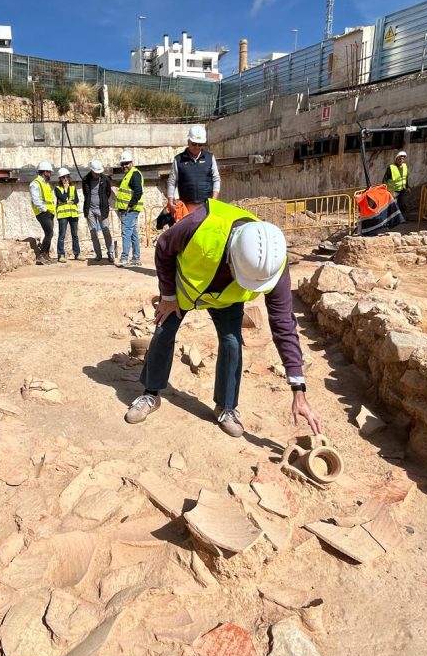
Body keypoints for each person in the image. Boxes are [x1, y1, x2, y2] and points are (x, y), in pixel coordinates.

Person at [124, 199, 322, 439]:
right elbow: (164, 246)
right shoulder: (201, 224)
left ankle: (226, 408)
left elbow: (283, 323)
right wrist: (168, 294)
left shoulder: (273, 264)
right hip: (183, 291)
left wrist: (298, 389)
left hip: (227, 299)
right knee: (163, 332)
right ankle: (150, 394)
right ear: (232, 254)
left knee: (231, 342)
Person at [167, 124, 220, 217]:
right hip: (186, 209)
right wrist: (170, 201)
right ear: (188, 142)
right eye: (194, 144)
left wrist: (214, 200)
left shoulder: (210, 158)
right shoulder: (178, 160)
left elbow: (216, 179)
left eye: (200, 144)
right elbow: (172, 182)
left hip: (206, 207)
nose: (197, 147)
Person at [81, 159, 114, 264]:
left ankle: (111, 253)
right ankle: (98, 254)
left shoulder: (105, 179)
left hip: (102, 209)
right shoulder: (85, 180)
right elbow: (85, 194)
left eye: (99, 172)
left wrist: (103, 203)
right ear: (92, 171)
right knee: (93, 232)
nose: (97, 174)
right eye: (96, 173)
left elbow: (108, 193)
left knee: (106, 230)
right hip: (90, 209)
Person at [115, 151, 143, 267]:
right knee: (133, 233)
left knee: (126, 233)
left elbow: (138, 191)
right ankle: (136, 258)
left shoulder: (134, 174)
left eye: (126, 163)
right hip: (129, 209)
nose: (124, 166)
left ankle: (124, 257)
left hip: (130, 210)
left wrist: (130, 206)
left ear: (132, 162)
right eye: (123, 164)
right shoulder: (129, 175)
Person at [30, 161, 56, 263]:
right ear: (44, 172)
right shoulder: (35, 183)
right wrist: (44, 209)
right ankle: (41, 255)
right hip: (42, 212)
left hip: (49, 212)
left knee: (50, 233)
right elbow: (35, 199)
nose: (50, 174)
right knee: (49, 232)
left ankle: (46, 255)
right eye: (49, 172)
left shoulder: (46, 184)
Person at [53, 167, 81, 263]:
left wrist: (68, 200)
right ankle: (61, 255)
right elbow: (63, 198)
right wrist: (65, 190)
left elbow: (76, 200)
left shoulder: (73, 188)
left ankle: (77, 254)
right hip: (63, 215)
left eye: (67, 177)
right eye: (63, 177)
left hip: (73, 214)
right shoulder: (57, 188)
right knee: (62, 235)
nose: (65, 179)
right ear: (60, 179)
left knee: (75, 235)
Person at [383, 150, 410, 221]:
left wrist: (407, 187)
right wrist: (384, 188)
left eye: (403, 158)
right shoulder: (391, 167)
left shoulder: (404, 166)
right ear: (396, 158)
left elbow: (406, 177)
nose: (401, 160)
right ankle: (391, 219)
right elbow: (385, 179)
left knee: (402, 204)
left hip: (402, 189)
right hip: (393, 190)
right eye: (400, 158)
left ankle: (401, 218)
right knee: (393, 205)